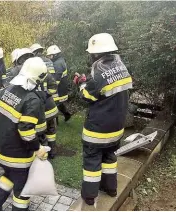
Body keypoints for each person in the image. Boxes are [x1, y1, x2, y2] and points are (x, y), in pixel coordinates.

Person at [73, 33, 133, 205]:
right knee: (109, 157)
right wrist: (88, 81)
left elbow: (87, 96)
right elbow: (105, 88)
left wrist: (80, 83)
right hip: (117, 127)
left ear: (97, 54)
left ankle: (90, 196)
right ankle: (111, 188)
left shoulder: (98, 73)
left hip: (97, 131)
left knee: (92, 161)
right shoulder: (120, 66)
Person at [0, 57, 49, 211]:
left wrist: (5, 130)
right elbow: (26, 132)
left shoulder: (8, 89)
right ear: (39, 79)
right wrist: (37, 149)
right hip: (17, 157)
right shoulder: (32, 99)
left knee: (10, 175)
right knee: (22, 189)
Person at [30, 43, 59, 159]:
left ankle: (42, 154)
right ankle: (52, 152)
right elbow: (53, 83)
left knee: (40, 131)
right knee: (51, 130)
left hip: (41, 109)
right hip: (50, 106)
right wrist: (47, 94)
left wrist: (41, 96)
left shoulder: (31, 70)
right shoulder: (48, 65)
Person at [47, 45, 72, 122]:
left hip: (59, 89)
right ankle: (67, 114)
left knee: (53, 104)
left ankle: (55, 122)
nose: (49, 58)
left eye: (50, 56)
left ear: (55, 55)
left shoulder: (57, 64)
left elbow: (56, 80)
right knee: (58, 103)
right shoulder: (61, 61)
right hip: (62, 87)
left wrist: (50, 86)